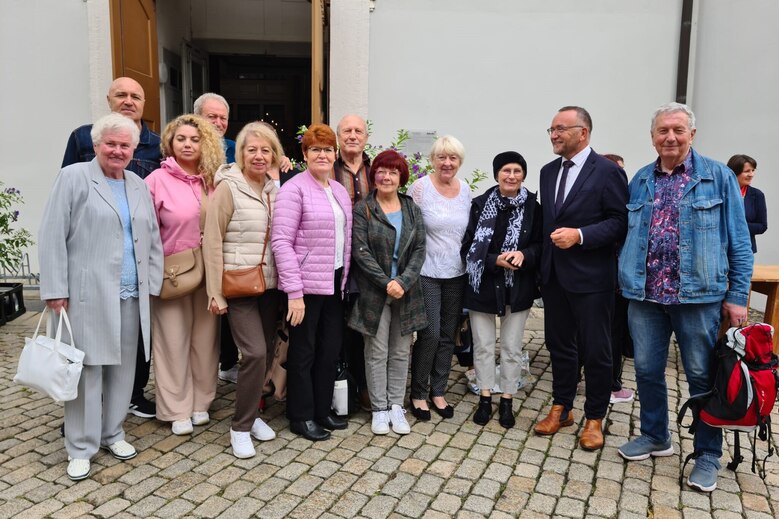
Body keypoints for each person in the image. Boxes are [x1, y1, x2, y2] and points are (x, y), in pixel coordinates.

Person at [618, 102, 753, 492]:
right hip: (645, 295)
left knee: (700, 376)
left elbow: (739, 242)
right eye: (663, 131)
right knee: (645, 370)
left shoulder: (718, 177)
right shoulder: (642, 178)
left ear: (692, 134)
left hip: (699, 297)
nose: (670, 137)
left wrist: (738, 296)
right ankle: (655, 435)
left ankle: (708, 453)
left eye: (678, 130)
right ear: (653, 137)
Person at [40, 112, 163, 481]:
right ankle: (80, 445)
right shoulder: (74, 177)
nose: (118, 150)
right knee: (88, 371)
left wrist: (152, 287)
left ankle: (113, 433)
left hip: (131, 294)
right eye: (111, 143)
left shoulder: (137, 184)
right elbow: (51, 234)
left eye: (125, 145)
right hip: (87, 294)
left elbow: (152, 239)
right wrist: (55, 290)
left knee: (124, 371)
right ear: (95, 145)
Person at [61, 76, 161, 419]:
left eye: (136, 96)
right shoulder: (78, 155)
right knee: (90, 355)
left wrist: (155, 280)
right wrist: (57, 288)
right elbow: (59, 222)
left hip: (133, 276)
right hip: (92, 274)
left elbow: (153, 227)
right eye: (122, 94)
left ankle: (121, 415)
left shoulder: (148, 163)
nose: (129, 100)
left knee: (129, 355)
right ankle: (84, 427)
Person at [534, 106, 628, 451]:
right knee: (560, 345)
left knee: (596, 349)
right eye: (552, 129)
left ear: (583, 132)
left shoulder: (606, 172)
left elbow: (620, 222)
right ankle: (562, 407)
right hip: (555, 278)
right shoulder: (547, 172)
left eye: (561, 129)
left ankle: (594, 417)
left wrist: (581, 235)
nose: (554, 135)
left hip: (592, 278)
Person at [203, 122, 283, 457]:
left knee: (266, 351)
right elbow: (212, 240)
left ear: (274, 155)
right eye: (252, 150)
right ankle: (239, 426)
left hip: (271, 286)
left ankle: (251, 416)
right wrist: (214, 291)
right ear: (241, 153)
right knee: (253, 354)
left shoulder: (275, 190)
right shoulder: (228, 188)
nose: (259, 156)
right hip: (239, 286)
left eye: (266, 150)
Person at [271, 123, 353, 441]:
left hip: (334, 281)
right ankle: (301, 415)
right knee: (303, 351)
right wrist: (294, 292)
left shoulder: (339, 190)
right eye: (315, 149)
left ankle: (321, 409)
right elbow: (281, 242)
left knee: (329, 349)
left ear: (335, 154)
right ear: (304, 154)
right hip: (304, 286)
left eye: (327, 149)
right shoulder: (294, 189)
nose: (322, 154)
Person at [144, 114, 224, 436]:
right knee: (172, 342)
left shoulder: (214, 180)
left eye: (195, 139)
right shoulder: (155, 181)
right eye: (181, 139)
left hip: (209, 273)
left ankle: (200, 402)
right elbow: (146, 232)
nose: (188, 145)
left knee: (205, 342)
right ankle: (176, 408)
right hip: (173, 273)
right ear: (170, 144)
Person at [461, 151, 542, 429]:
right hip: (482, 285)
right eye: (506, 170)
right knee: (483, 347)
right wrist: (494, 259)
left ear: (523, 175)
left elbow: (542, 246)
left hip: (518, 287)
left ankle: (506, 399)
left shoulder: (534, 206)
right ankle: (485, 398)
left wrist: (525, 255)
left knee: (511, 347)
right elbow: (468, 248)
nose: (511, 176)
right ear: (496, 174)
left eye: (517, 171)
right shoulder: (480, 204)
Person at [349, 150, 427, 435]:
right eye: (381, 171)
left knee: (400, 350)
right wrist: (386, 282)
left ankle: (396, 405)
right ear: (374, 175)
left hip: (406, 291)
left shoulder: (410, 208)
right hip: (375, 292)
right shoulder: (364, 208)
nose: (386, 176)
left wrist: (403, 281)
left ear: (401, 177)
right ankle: (379, 409)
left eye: (393, 172)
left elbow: (420, 248)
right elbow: (361, 251)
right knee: (376, 351)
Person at [408, 135, 472, 420]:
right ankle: (418, 393)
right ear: (432, 160)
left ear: (459, 162)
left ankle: (439, 390)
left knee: (448, 335)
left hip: (457, 273)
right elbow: (408, 229)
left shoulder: (466, 190)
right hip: (427, 272)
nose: (447, 163)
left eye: (453, 158)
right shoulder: (420, 188)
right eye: (442, 157)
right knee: (430, 334)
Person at [333, 114, 374, 411]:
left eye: (358, 131)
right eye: (346, 130)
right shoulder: (327, 168)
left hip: (371, 258)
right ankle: (342, 386)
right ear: (338, 136)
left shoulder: (378, 169)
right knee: (340, 324)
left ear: (366, 138)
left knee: (365, 323)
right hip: (336, 256)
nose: (352, 135)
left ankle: (365, 385)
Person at [601, 153, 635, 405]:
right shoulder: (622, 203)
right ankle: (611, 385)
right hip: (613, 278)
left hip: (616, 278)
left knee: (611, 332)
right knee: (612, 332)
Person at [727, 154, 767, 254]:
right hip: (721, 250)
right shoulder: (720, 193)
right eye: (747, 171)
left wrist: (737, 226)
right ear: (734, 172)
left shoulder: (757, 195)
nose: (751, 174)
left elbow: (762, 226)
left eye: (753, 170)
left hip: (745, 250)